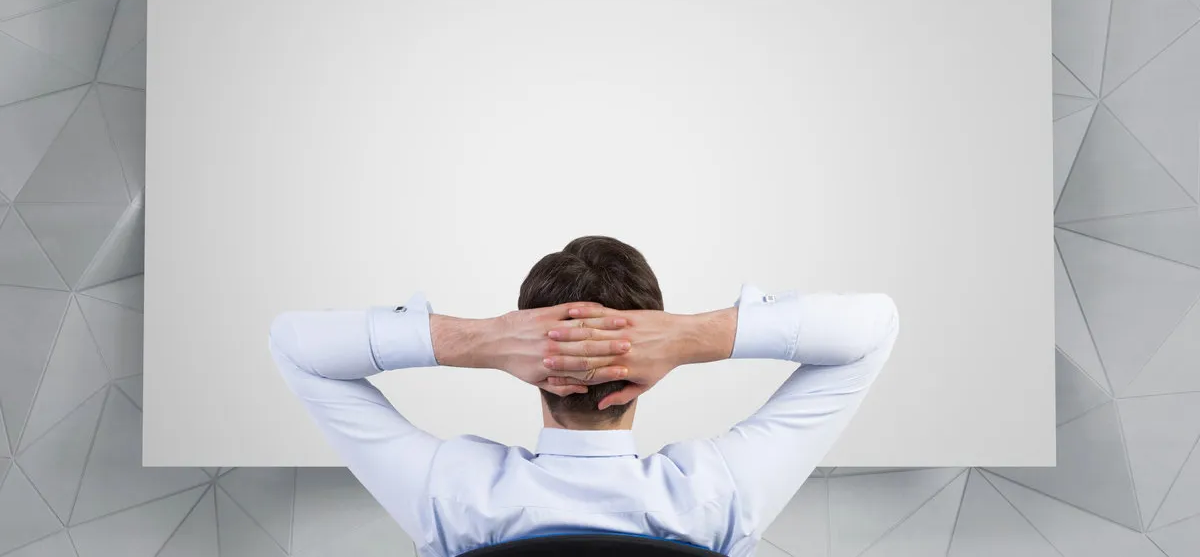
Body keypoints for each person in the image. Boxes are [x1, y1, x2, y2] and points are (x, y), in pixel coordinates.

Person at [269, 235, 899, 557]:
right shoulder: (716, 497)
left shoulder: (452, 496)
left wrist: (480, 341)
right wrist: (690, 336)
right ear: (648, 364)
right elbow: (873, 331)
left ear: (531, 359)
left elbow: (297, 346)